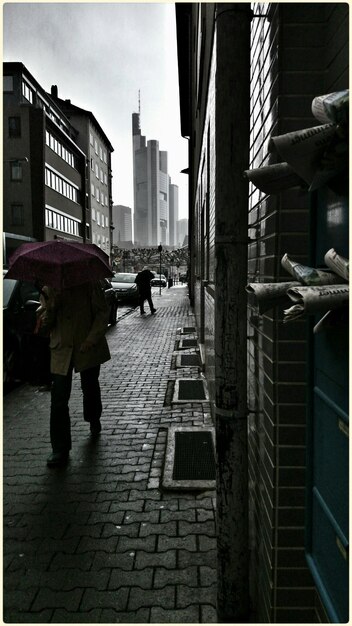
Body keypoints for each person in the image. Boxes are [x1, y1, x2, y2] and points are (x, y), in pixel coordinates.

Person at [37, 281, 111, 467]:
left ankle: (94, 418)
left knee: (90, 387)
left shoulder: (88, 284)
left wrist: (91, 339)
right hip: (61, 351)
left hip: (86, 348)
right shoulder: (49, 289)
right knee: (59, 399)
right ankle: (60, 449)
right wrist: (51, 308)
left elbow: (102, 314)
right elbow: (43, 328)